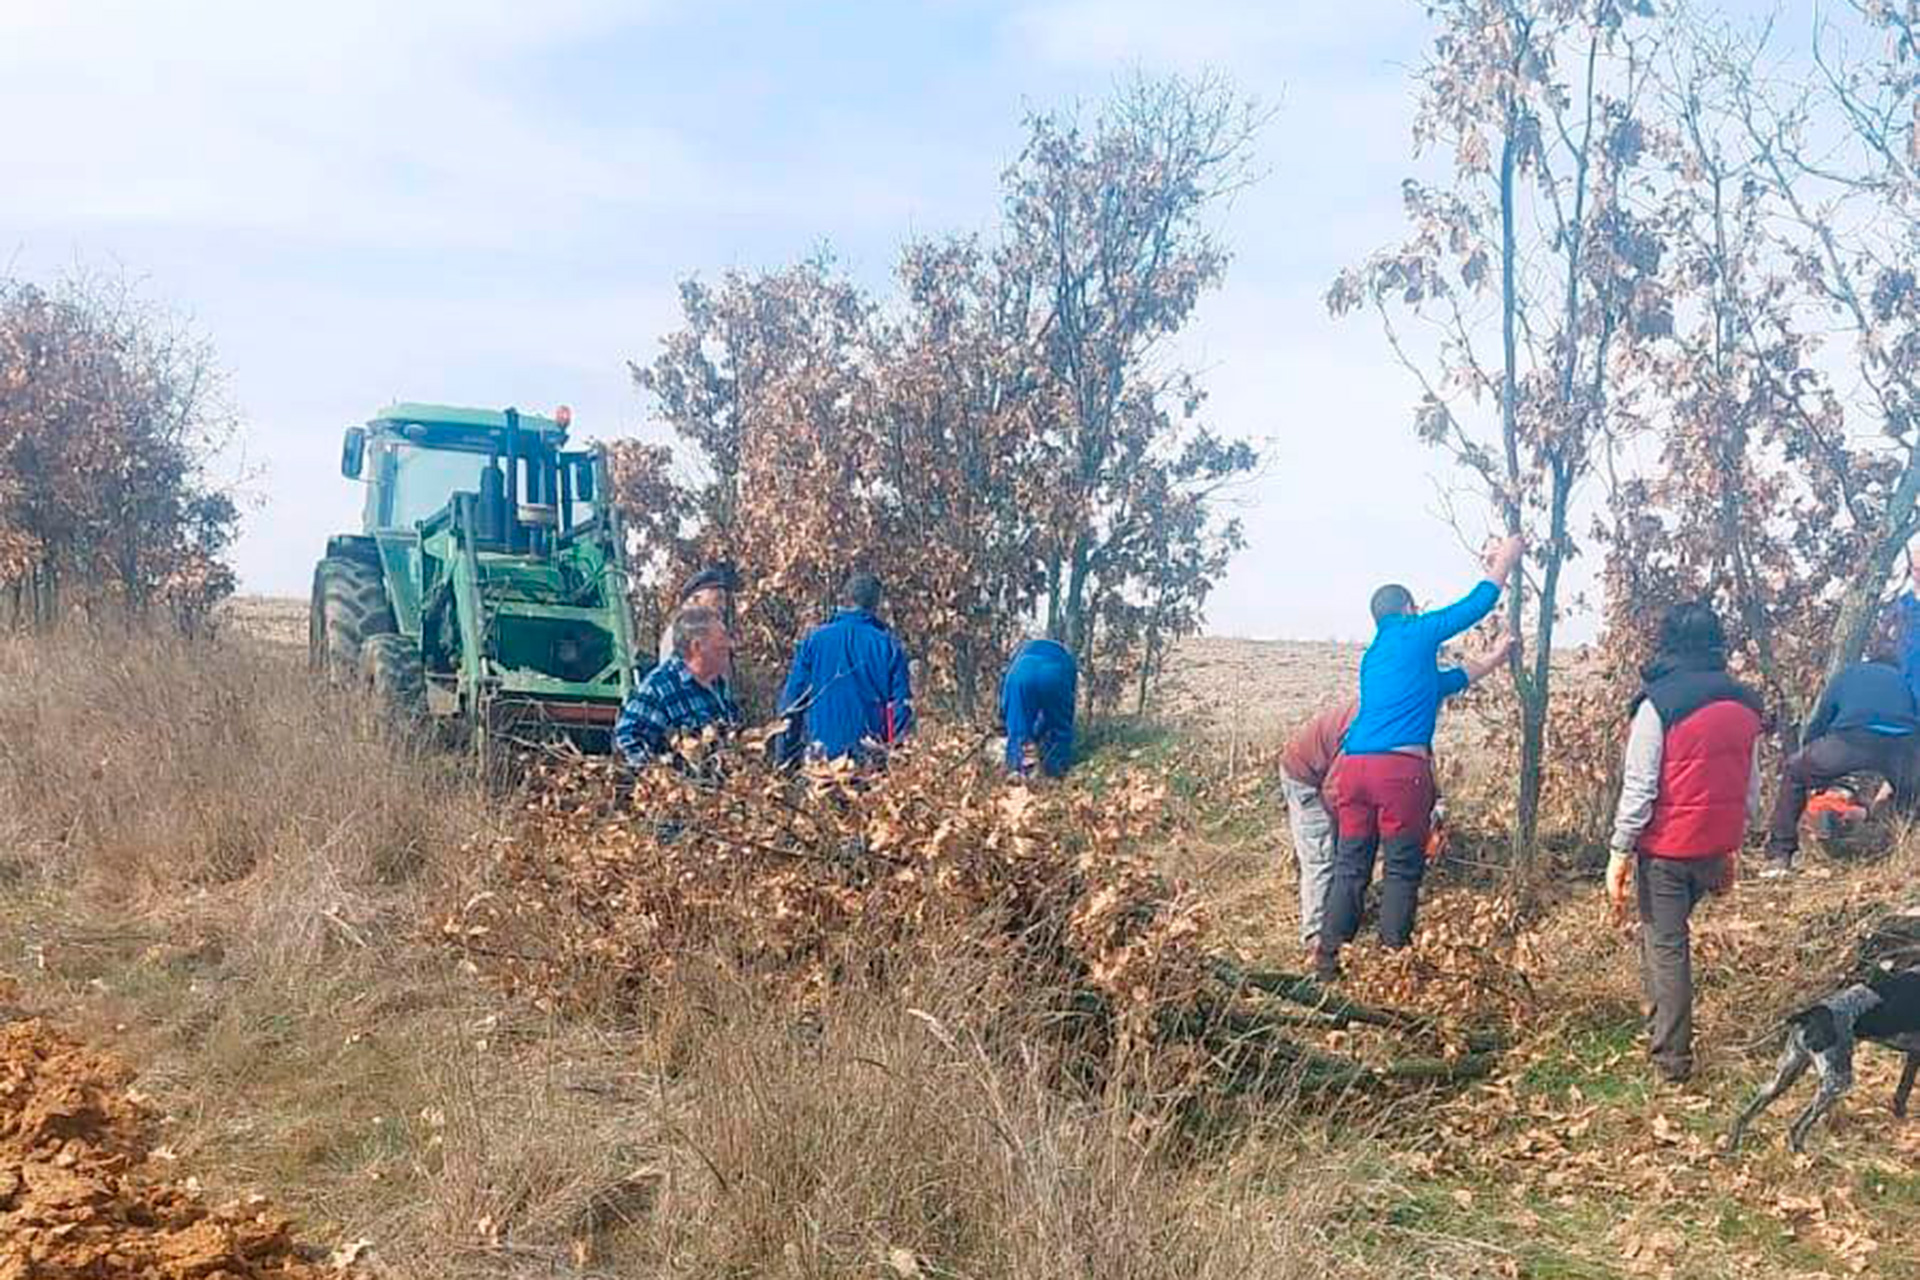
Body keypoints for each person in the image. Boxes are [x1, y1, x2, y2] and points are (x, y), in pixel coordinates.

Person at [1319, 535, 1524, 978]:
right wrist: (1503, 562)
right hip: (1398, 774)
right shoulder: (1415, 632)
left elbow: (1447, 682)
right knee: (1400, 868)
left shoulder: (1377, 656)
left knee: (1350, 865)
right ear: (1410, 609)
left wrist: (1495, 657)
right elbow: (1475, 605)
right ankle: (1393, 964)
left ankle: (1328, 962)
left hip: (1352, 769)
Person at [1606, 601, 1764, 1085]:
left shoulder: (1658, 704)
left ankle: (1671, 1062)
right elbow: (1751, 787)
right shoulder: (1745, 704)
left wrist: (1619, 851)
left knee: (1667, 945)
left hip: (1668, 850)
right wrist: (1732, 845)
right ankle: (1658, 1026)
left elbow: (1640, 788)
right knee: (1661, 943)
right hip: (1716, 846)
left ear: (1666, 642)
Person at [1763, 647, 1920, 876]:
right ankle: (1897, 849)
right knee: (1912, 795)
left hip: (1851, 738)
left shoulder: (1848, 675)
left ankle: (1780, 854)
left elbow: (1821, 720)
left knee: (1795, 772)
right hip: (1900, 744)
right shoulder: (1901, 680)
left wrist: (1811, 752)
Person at [778, 572, 914, 764]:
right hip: (869, 759)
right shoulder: (888, 646)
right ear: (875, 605)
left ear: (846, 599)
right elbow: (900, 709)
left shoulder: (815, 640)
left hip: (820, 757)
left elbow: (793, 701)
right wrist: (897, 759)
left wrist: (784, 758)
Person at [1278, 697, 1357, 972]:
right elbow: (1333, 792)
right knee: (1321, 858)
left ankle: (1334, 914)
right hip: (1305, 777)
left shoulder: (1397, 712)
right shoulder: (1367, 727)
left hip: (1325, 774)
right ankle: (1314, 938)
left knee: (1337, 853)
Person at [615, 605, 741, 765]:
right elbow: (627, 740)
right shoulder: (659, 688)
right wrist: (664, 777)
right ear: (697, 647)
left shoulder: (719, 685)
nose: (730, 646)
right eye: (721, 641)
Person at [1001, 637, 1078, 778]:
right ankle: (1055, 773)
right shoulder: (1067, 659)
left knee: (1018, 731)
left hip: (1021, 673)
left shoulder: (1018, 658)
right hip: (1056, 672)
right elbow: (1064, 713)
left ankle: (1017, 771)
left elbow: (1007, 707)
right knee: (1059, 728)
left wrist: (1027, 732)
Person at [658, 563, 740, 666]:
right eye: (717, 598)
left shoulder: (713, 635)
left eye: (723, 600)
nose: (722, 606)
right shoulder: (678, 635)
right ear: (695, 599)